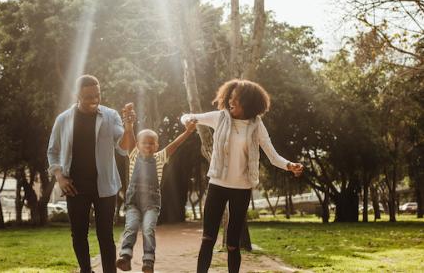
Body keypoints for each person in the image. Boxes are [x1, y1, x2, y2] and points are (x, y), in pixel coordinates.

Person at [181, 79, 303, 273]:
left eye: (236, 99)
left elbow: (272, 155)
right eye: (230, 97)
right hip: (217, 185)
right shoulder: (220, 117)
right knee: (208, 239)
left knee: (232, 244)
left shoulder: (256, 125)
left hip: (242, 189)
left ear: (249, 103)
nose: (231, 102)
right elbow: (189, 116)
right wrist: (187, 120)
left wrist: (289, 165)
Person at [47, 75, 136, 273]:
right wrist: (60, 177)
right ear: (77, 95)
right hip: (74, 186)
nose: (94, 100)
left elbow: (124, 148)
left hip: (105, 185)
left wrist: (129, 127)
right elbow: (52, 151)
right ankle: (86, 270)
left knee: (106, 236)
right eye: (88, 96)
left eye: (97, 95)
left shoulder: (110, 115)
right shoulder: (63, 120)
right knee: (78, 235)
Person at [116, 119, 197, 273]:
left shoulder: (160, 157)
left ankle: (148, 261)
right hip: (133, 202)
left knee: (148, 229)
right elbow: (130, 137)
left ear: (157, 145)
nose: (148, 146)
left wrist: (188, 132)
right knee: (131, 226)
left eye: (152, 143)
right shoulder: (133, 154)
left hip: (152, 205)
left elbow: (175, 144)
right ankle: (125, 256)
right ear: (138, 145)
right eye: (144, 143)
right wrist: (129, 124)